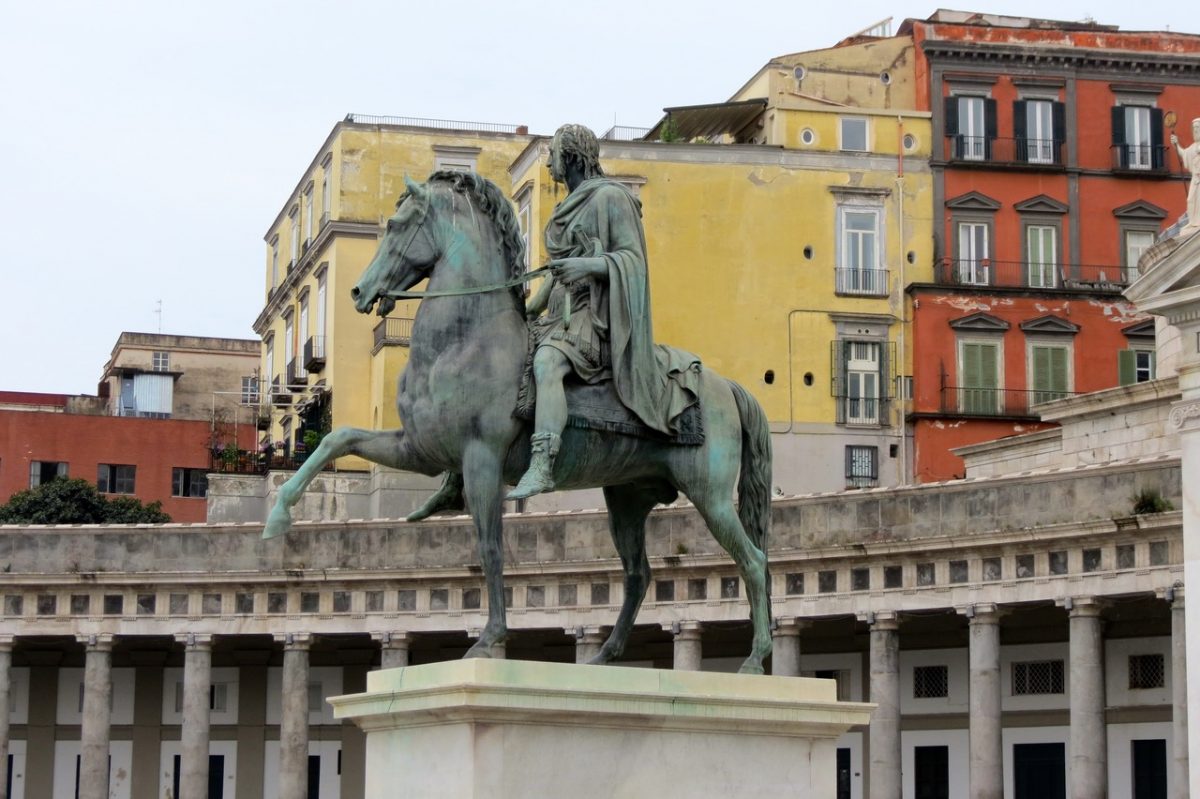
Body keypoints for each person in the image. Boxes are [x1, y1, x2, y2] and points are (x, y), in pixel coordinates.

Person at [507, 123, 699, 500]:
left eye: (553, 156)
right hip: (558, 316)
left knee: (547, 363)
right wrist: (530, 308)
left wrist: (587, 266)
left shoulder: (612, 198)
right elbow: (557, 272)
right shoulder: (566, 206)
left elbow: (633, 261)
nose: (548, 165)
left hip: (593, 318)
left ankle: (543, 464)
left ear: (572, 157)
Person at [1171, 117, 1200, 237]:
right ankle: (1194, 222)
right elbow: (1184, 154)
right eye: (1194, 129)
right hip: (1196, 179)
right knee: (1191, 200)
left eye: (1197, 128)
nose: (1195, 131)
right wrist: (1176, 144)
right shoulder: (1193, 147)